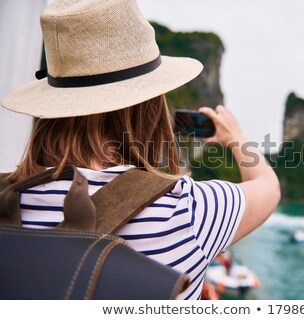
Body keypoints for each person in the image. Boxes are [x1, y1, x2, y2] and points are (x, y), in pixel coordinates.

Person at [0, 0, 280, 300]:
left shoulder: (5, 197)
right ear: (150, 107)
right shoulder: (187, 210)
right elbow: (268, 187)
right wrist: (235, 137)